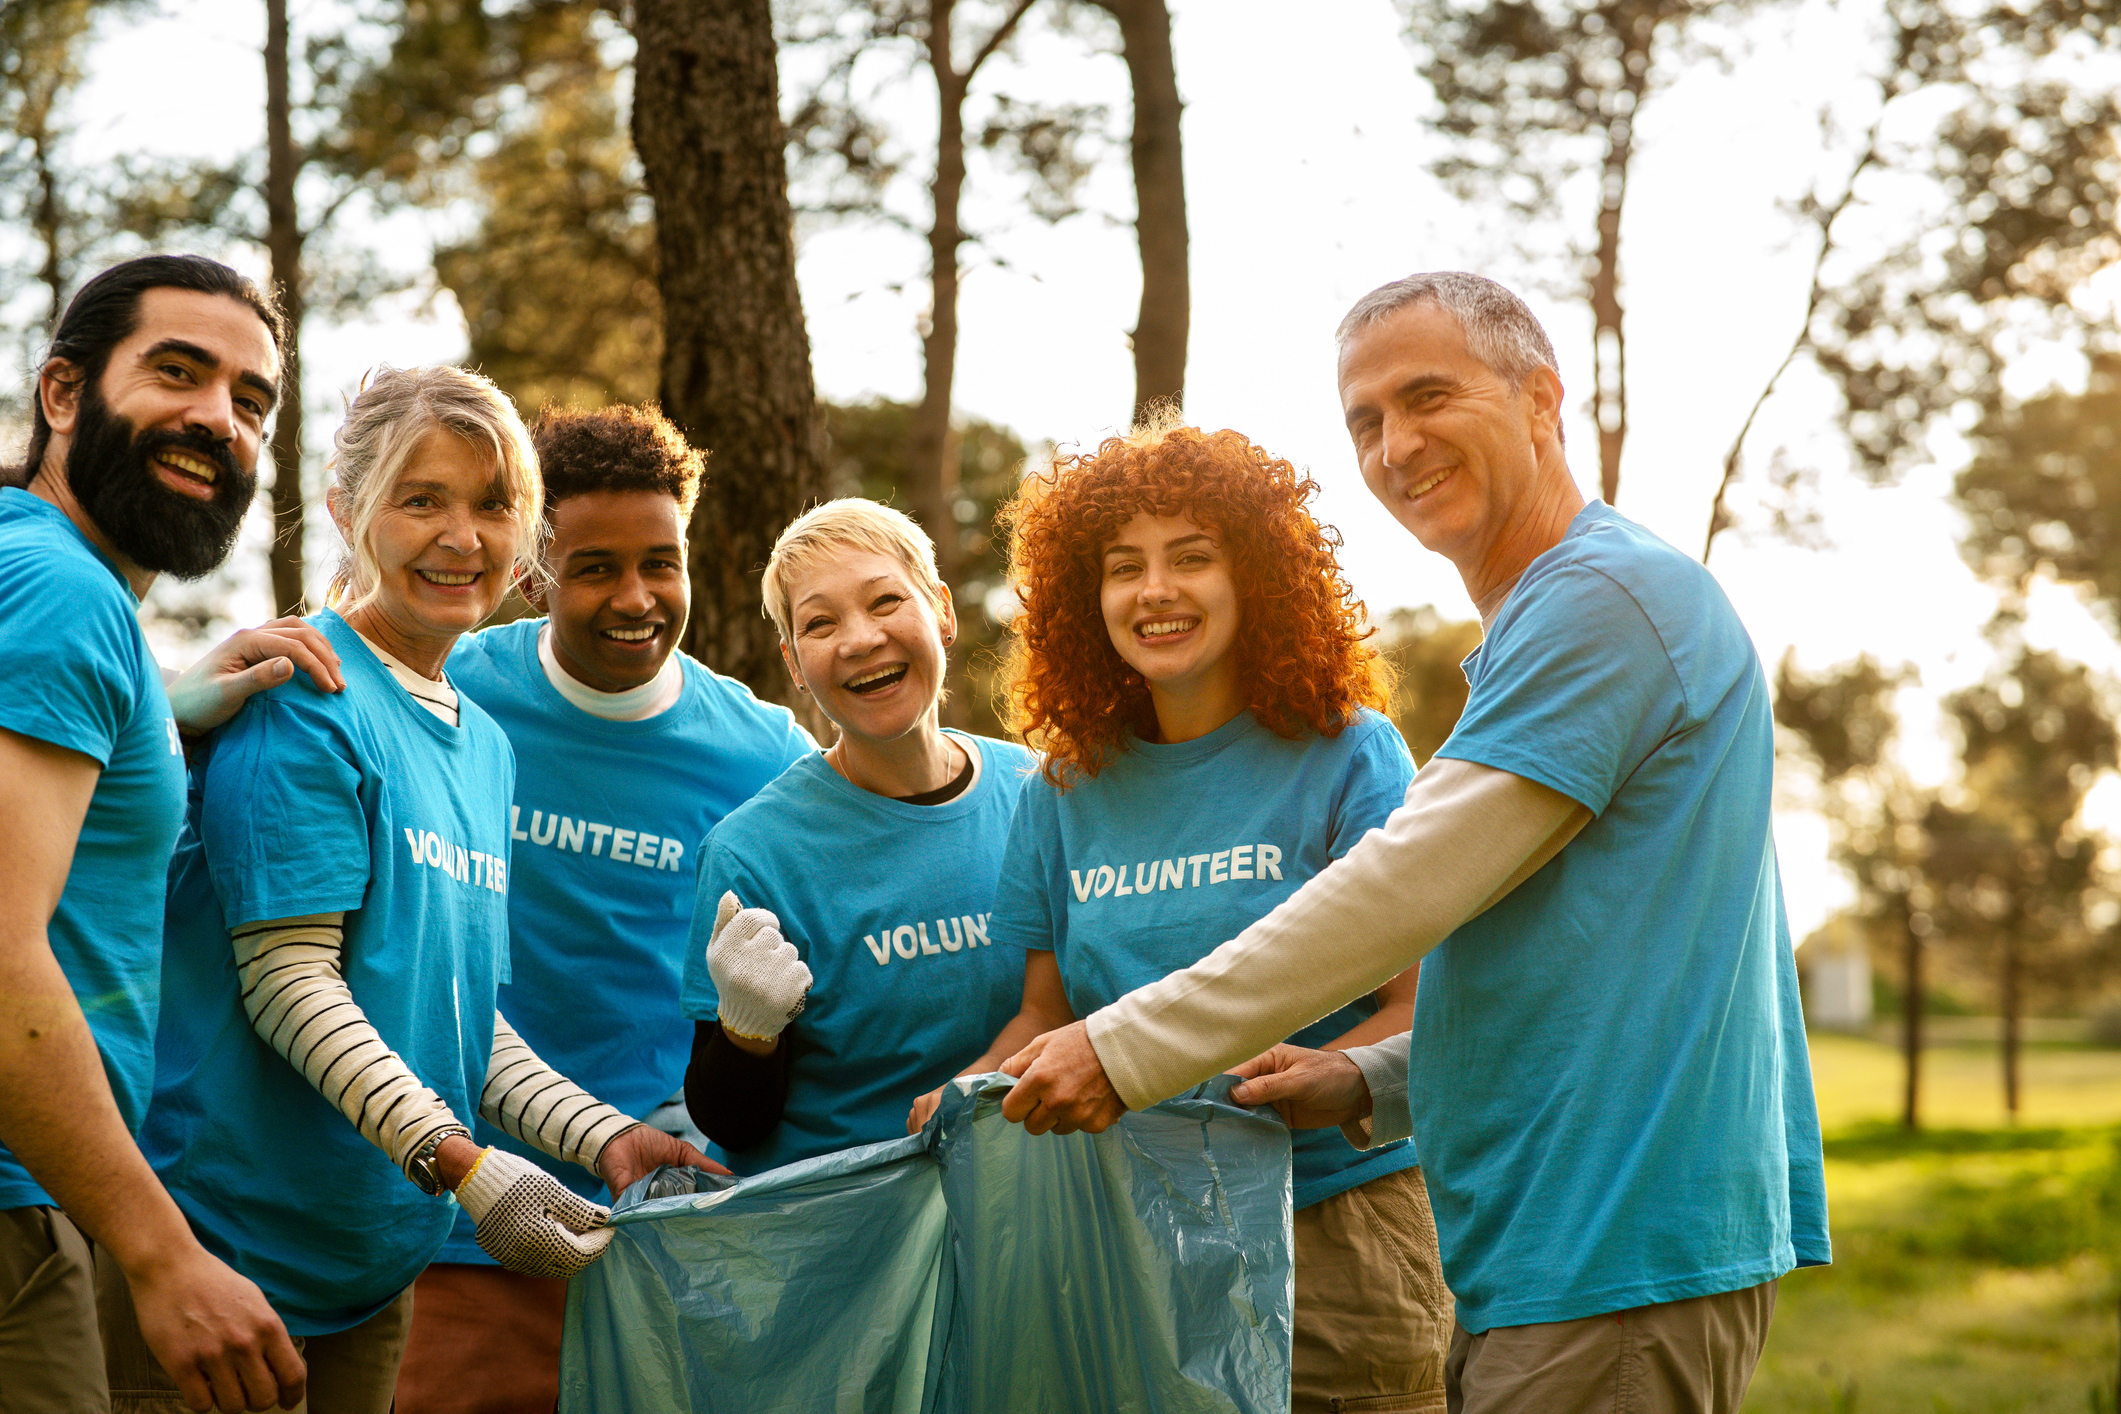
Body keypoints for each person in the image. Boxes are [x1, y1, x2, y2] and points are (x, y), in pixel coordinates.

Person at [998, 273, 1830, 1413]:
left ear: (1543, 399)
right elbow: (1555, 967)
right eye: (1365, 420)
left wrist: (1124, 1046)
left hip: (1612, 1244)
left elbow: (1399, 888)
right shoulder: (1549, 623)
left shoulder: (1606, 601)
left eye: (1429, 396)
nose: (1396, 445)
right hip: (1541, 1254)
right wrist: (1364, 1075)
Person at [109, 366, 716, 1414]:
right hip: (227, 1260)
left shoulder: (482, 741)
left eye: (493, 504)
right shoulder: (307, 697)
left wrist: (601, 1136)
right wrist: (467, 1165)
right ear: (347, 511)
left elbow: (458, 1020)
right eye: (421, 498)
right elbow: (290, 985)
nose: (463, 536)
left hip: (368, 1273)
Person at [910, 422, 1450, 1412]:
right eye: (1124, 568)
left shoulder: (1350, 754)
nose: (1154, 590)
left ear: (1260, 577)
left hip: (1335, 1231)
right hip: (1130, 1234)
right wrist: (973, 1085)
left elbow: (1427, 1006)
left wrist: (1331, 1075)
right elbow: (1046, 1011)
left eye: (1191, 558)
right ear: (1088, 598)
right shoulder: (1067, 784)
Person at [0, 253, 368, 1414]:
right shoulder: (62, 598)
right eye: (178, 371)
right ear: (64, 393)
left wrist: (154, 707)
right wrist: (160, 1253)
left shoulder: (33, 575)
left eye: (251, 401)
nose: (218, 418)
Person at [393, 404, 814, 1414]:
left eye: (661, 563)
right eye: (596, 567)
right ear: (535, 568)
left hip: (676, 1221)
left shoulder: (768, 755)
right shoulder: (445, 690)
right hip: (467, 1218)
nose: (637, 597)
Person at [680, 499, 1034, 1175]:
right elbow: (730, 1122)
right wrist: (745, 1033)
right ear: (793, 663)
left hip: (1023, 1215)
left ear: (943, 611)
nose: (860, 638)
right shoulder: (752, 853)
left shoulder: (1040, 794)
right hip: (841, 1242)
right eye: (819, 622)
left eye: (884, 601)